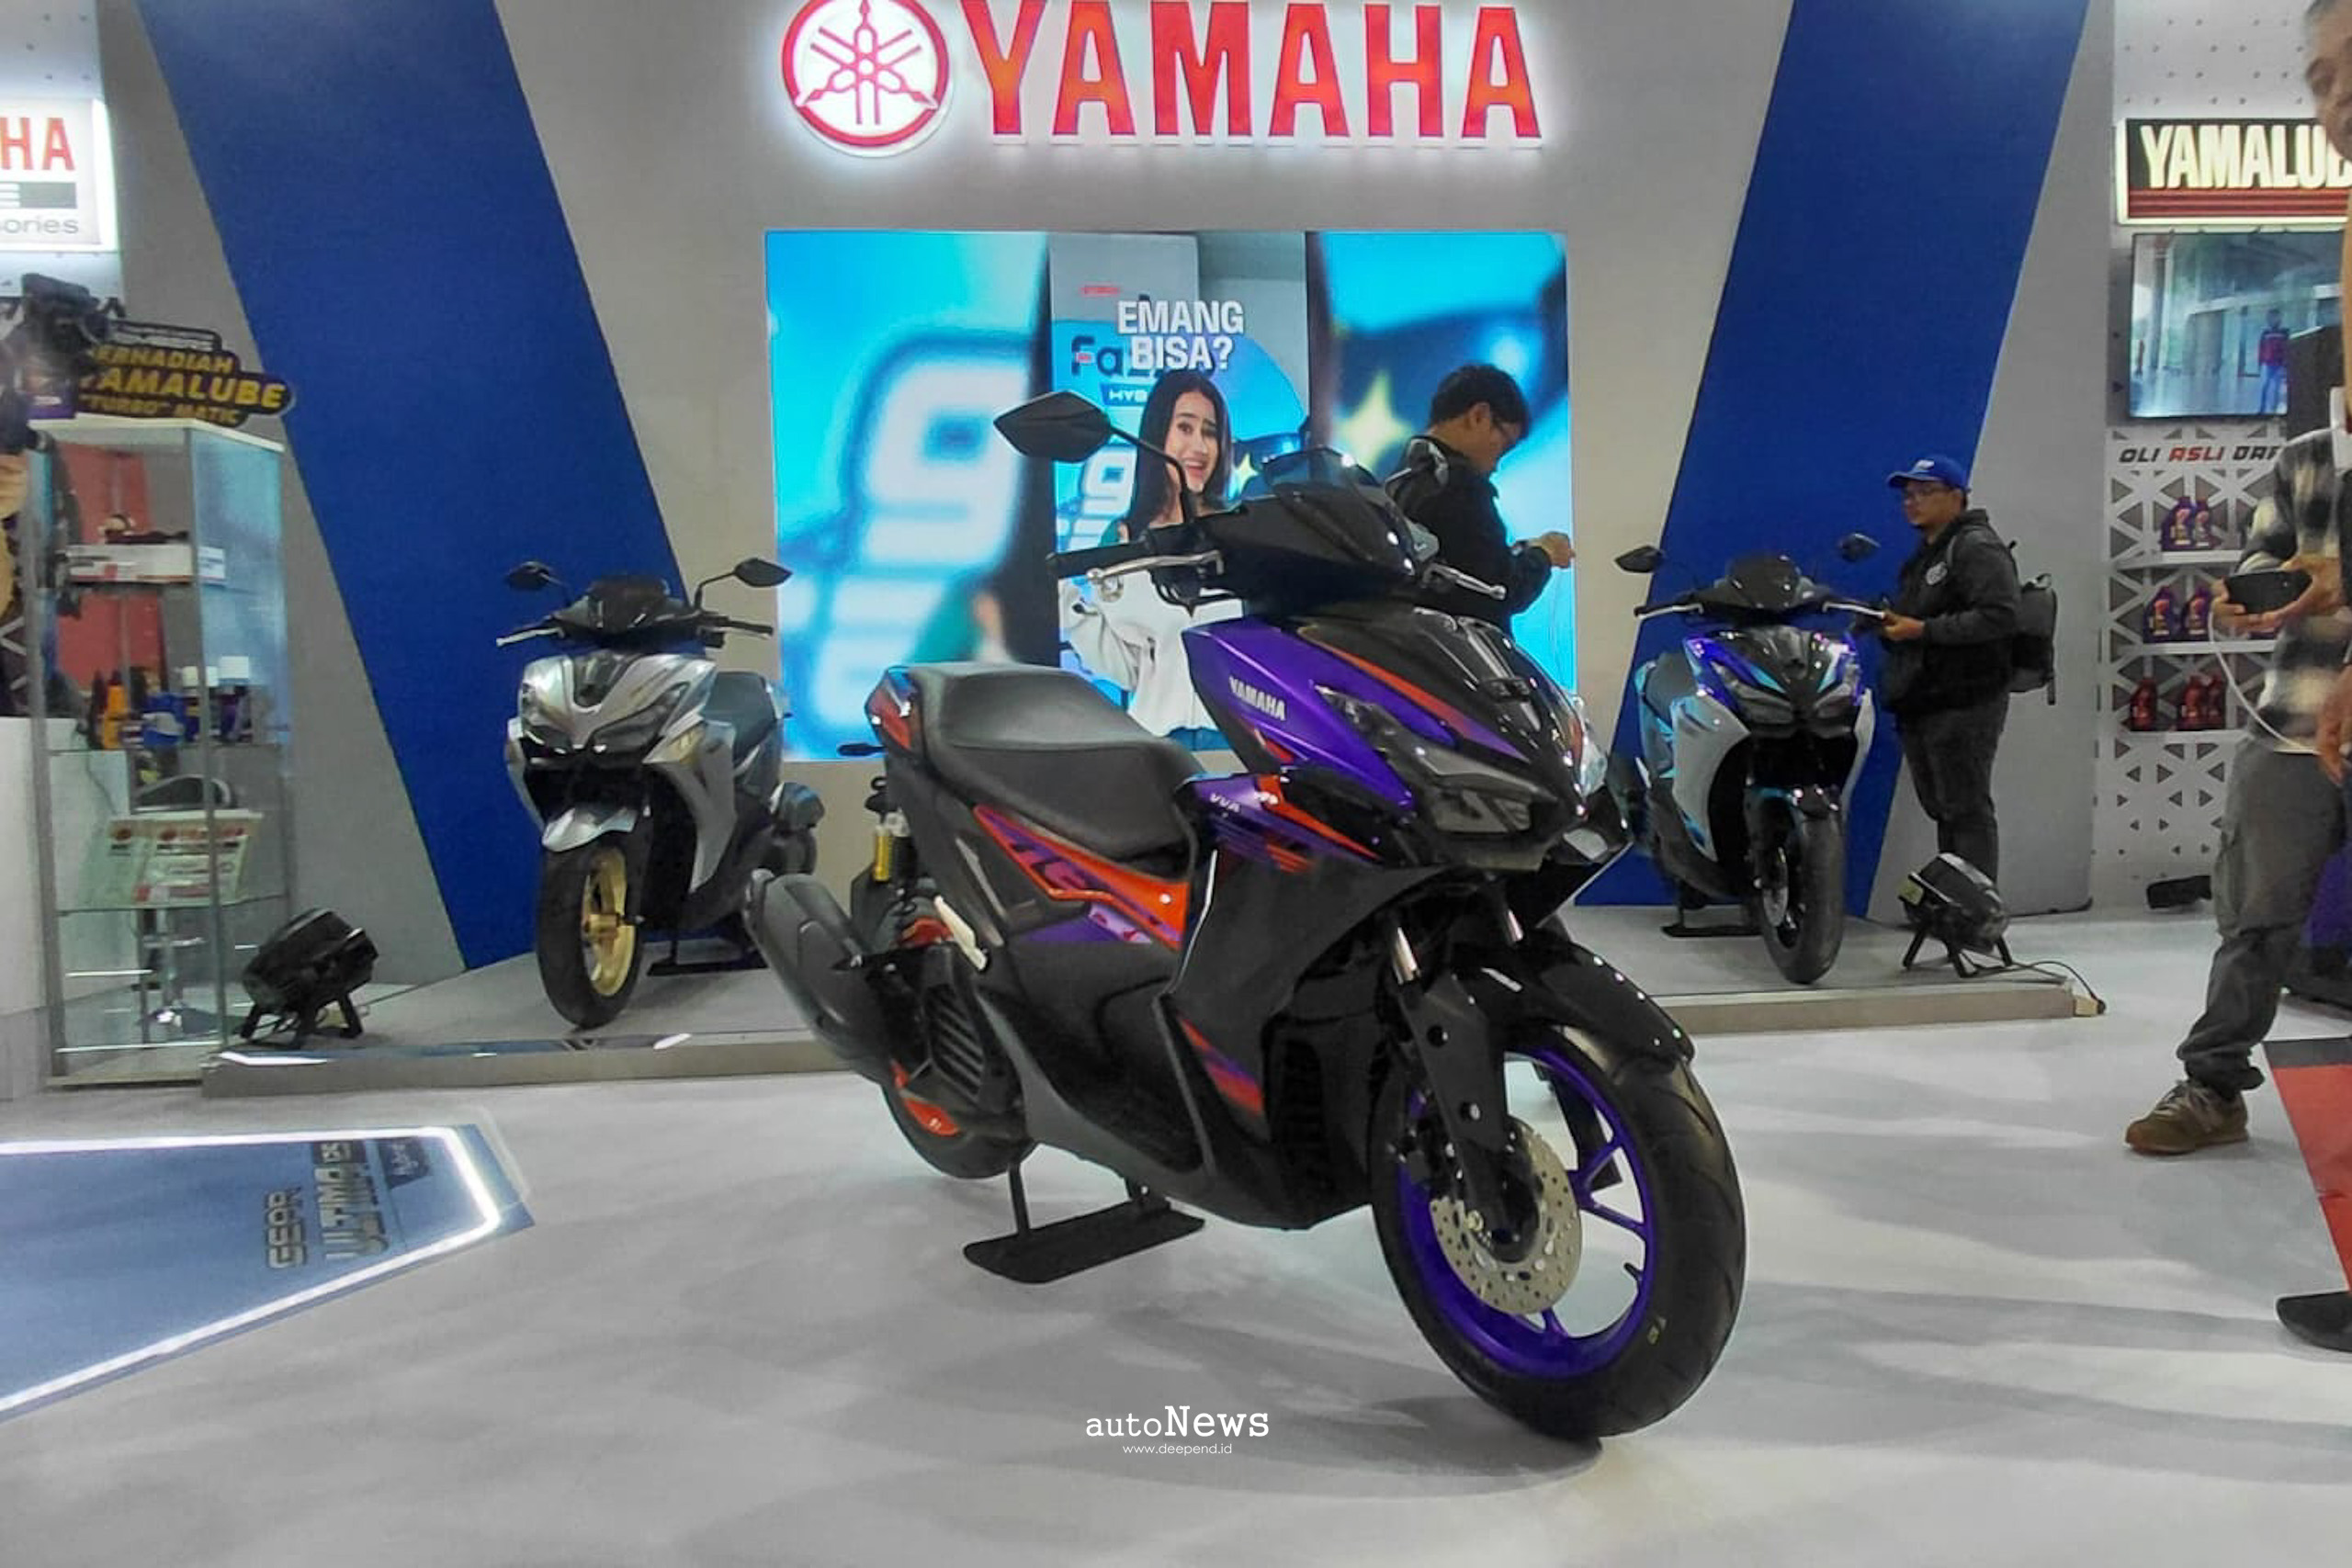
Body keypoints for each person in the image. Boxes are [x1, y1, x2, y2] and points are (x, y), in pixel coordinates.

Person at [2126, 431, 2352, 1155]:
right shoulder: (2309, 456)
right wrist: (2264, 590)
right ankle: (2213, 1085)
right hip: (2293, 717)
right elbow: (2263, 553)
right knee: (2255, 916)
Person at [1058, 368, 1238, 751]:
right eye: (1185, 428)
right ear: (1157, 434)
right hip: (1159, 748)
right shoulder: (1124, 539)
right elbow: (1127, 668)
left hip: (1240, 745)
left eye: (1209, 432)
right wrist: (1066, 603)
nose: (1199, 446)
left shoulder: (1244, 532)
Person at [1877, 455, 2021, 885]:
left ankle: (1977, 906)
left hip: (1965, 698)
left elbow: (2000, 616)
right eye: (1908, 494)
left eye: (1925, 492)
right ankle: (1956, 898)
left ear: (1956, 497)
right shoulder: (1927, 554)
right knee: (1945, 808)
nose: (1912, 502)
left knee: (1966, 808)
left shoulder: (1975, 547)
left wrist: (1923, 630)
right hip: (1927, 697)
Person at [1385, 364, 1574, 628]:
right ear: (1479, 416)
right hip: (1457, 648)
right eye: (1504, 446)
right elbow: (1500, 590)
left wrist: (1522, 552)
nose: (1497, 466)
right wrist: (1545, 554)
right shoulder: (1460, 486)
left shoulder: (1399, 479)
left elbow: (1461, 568)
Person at [2258, 310, 2291, 417]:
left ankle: (2274, 409)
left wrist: (2286, 362)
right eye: (2271, 317)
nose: (2273, 320)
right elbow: (2261, 348)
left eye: (2276, 317)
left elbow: (2287, 348)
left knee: (2276, 387)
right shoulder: (2265, 333)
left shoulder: (2284, 333)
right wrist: (2260, 362)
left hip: (2279, 363)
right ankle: (2262, 408)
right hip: (2268, 363)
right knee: (2265, 386)